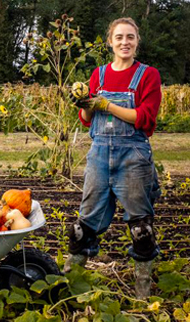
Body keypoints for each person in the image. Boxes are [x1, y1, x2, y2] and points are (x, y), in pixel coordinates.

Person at [66, 17, 162, 299]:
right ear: (110, 42)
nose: (125, 42)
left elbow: (145, 119)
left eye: (130, 37)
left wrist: (107, 104)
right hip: (98, 155)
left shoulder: (147, 75)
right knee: (83, 226)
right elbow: (87, 120)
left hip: (132, 155)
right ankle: (71, 286)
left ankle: (142, 294)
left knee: (141, 228)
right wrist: (84, 104)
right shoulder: (99, 75)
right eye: (119, 37)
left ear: (137, 41)